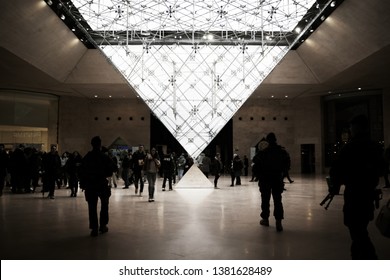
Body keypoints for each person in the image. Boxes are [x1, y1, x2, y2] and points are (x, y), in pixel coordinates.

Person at [329, 115, 384, 259]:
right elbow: (382, 168)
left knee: (357, 231)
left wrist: (336, 184)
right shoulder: (375, 146)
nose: (350, 130)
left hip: (355, 194)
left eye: (352, 127)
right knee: (360, 228)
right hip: (368, 194)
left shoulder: (351, 147)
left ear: (357, 127)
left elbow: (336, 169)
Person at [252, 133, 289, 232]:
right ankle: (278, 221)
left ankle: (265, 219)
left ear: (267, 141)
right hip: (277, 179)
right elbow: (287, 165)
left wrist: (259, 176)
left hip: (265, 179)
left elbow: (255, 164)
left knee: (265, 199)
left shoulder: (263, 152)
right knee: (278, 200)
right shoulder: (281, 151)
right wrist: (282, 175)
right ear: (275, 139)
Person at [80, 136, 115, 237]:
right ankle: (103, 225)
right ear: (100, 144)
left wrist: (84, 184)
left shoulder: (88, 156)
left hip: (90, 185)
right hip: (101, 183)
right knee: (104, 205)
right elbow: (113, 168)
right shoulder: (104, 156)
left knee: (92, 207)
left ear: (92, 144)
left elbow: (82, 171)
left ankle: (94, 228)